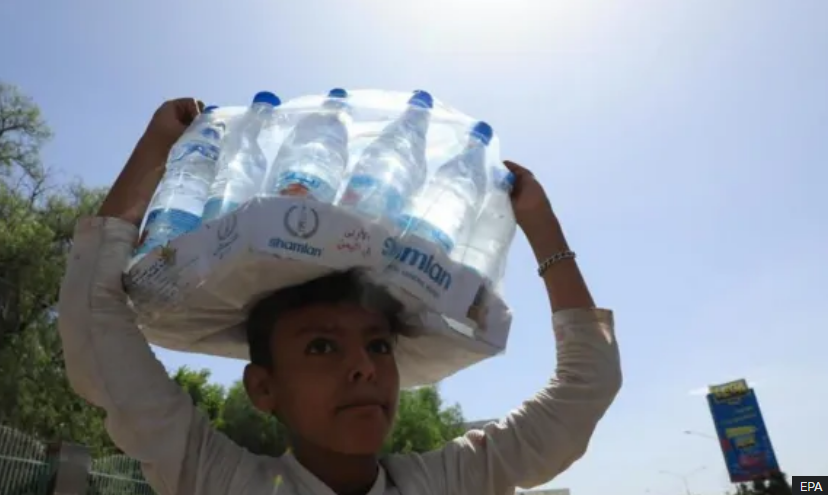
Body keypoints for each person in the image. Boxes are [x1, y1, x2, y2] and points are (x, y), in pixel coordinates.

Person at [58, 98, 622, 495]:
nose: (364, 368)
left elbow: (584, 391)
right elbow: (96, 327)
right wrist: (156, 149)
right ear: (263, 388)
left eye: (379, 346)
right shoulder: (219, 480)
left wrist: (541, 226)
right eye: (322, 347)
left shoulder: (446, 481)